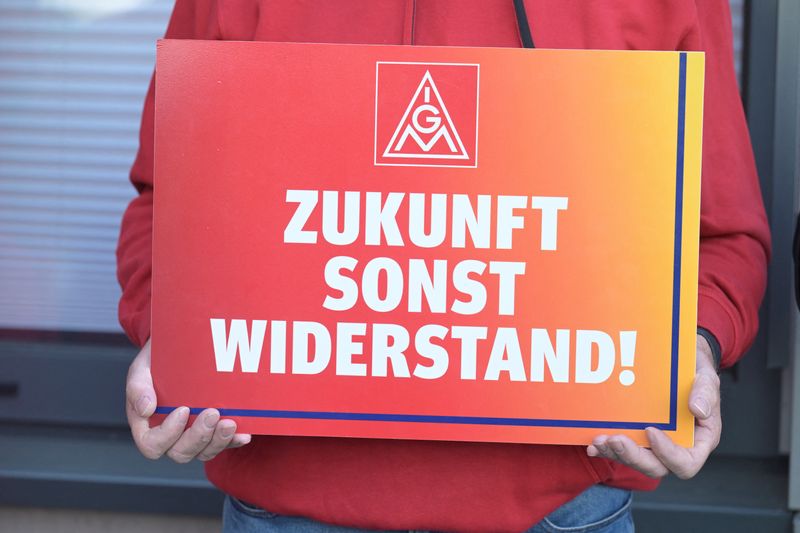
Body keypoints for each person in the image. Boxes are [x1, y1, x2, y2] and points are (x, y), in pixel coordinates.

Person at [117, 1, 771, 531]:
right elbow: (165, 203)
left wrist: (696, 349)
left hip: (561, 513)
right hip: (283, 511)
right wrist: (171, 341)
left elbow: (723, 236)